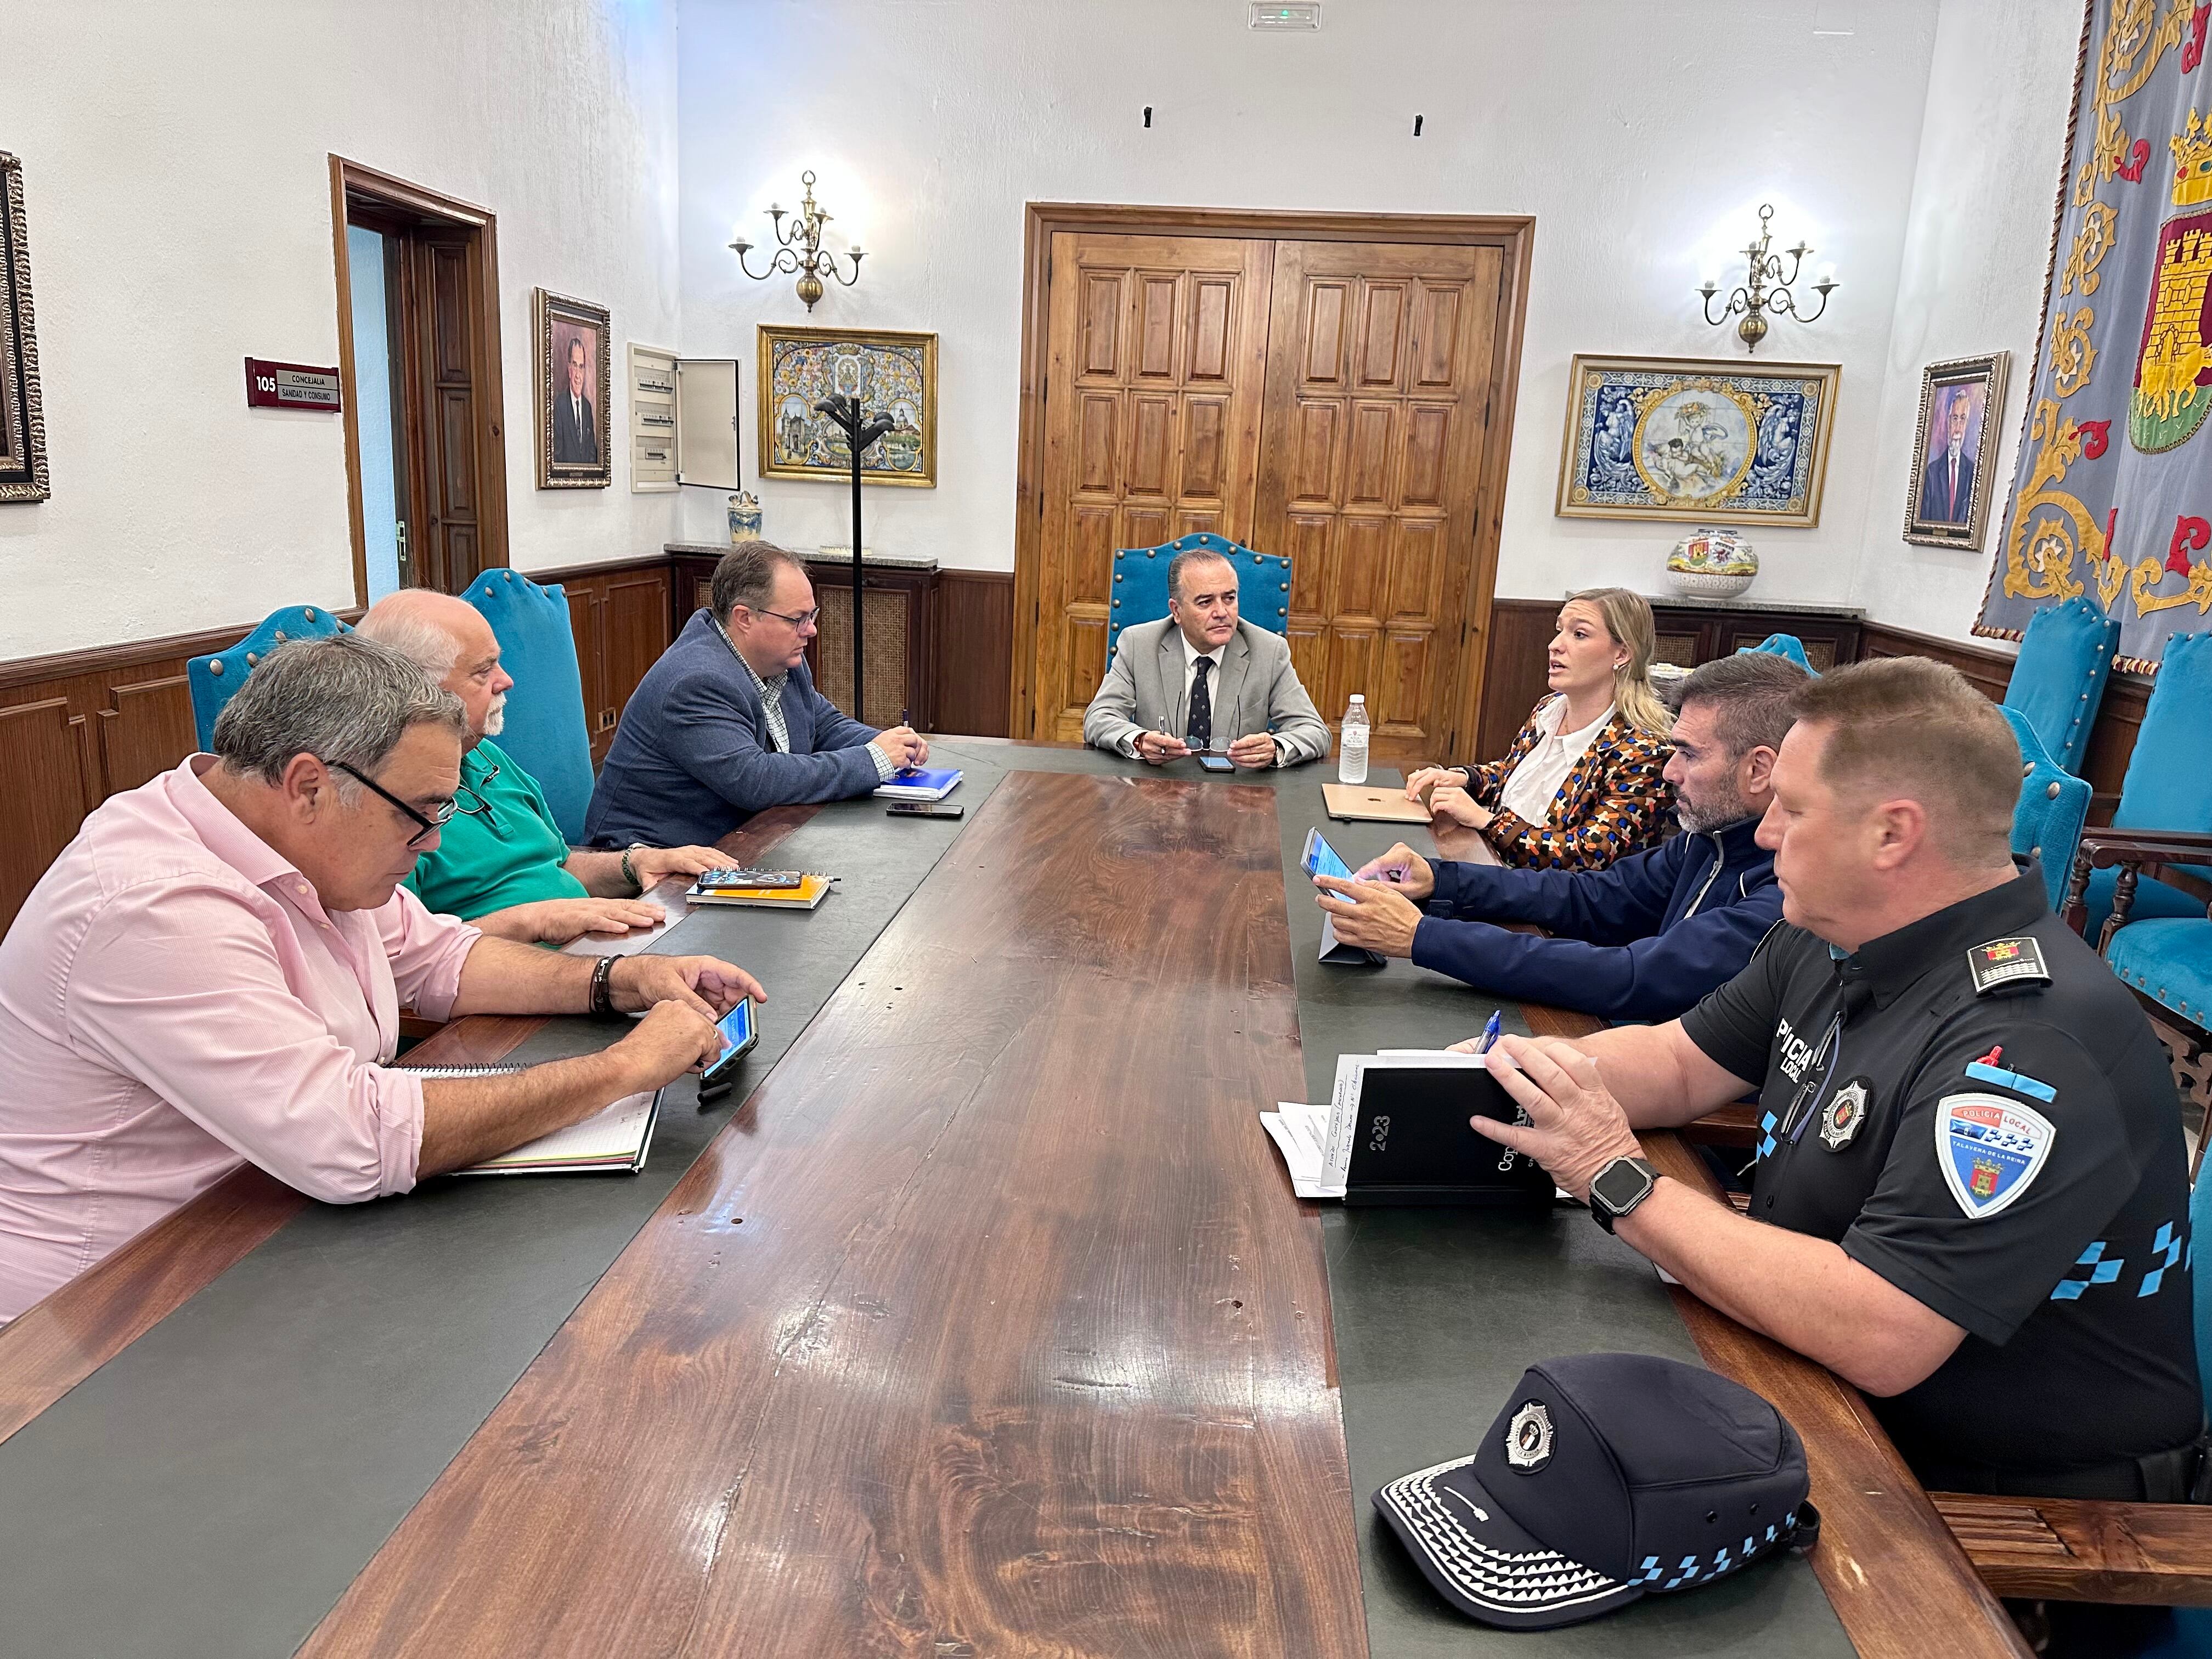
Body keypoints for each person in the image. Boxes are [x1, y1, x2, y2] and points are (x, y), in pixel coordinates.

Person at [1460, 658, 2200, 1513]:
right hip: (1812, 1385)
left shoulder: (2031, 1041)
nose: (1765, 832)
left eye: (1793, 809)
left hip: (2001, 1501)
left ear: (1892, 834)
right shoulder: (1831, 931)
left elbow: (1887, 1330)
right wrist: (1493, 1073)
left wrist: (1619, 1179)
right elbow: (1679, 1062)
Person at [0, 635, 762, 1324]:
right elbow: (349, 1139)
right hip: (115, 1310)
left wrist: (621, 982)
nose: (433, 844)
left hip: (272, 1227)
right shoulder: (153, 905)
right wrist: (624, 1070)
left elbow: (441, 959)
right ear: (307, 785)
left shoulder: (310, 844)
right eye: (422, 813)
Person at [1313, 651, 1804, 1021]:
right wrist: (1441, 882)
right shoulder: (1712, 838)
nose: (1670, 771)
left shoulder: (1790, 891)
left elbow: (1634, 978)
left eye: (1689, 754)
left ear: (1759, 768)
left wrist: (1421, 936)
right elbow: (1592, 896)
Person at [355, 590, 726, 944]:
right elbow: (404, 961)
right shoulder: (381, 806)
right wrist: (534, 921)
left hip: (589, 951)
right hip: (507, 992)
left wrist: (636, 862)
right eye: (483, 672)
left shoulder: (487, 755)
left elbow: (558, 865)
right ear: (417, 689)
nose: (507, 680)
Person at [584, 540, 927, 849]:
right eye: (798, 619)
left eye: (812, 615)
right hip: (650, 861)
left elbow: (821, 724)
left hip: (741, 839)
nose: (811, 629)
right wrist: (874, 759)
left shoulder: (782, 658)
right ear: (744, 617)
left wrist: (890, 743)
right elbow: (755, 780)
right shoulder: (696, 682)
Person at [1403, 588, 1672, 870]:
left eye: (1579, 634)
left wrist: (1488, 821)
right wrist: (1464, 778)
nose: (1555, 645)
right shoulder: (1550, 708)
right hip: (1493, 871)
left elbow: (1589, 855)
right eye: (1560, 630)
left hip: (1555, 905)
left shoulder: (1645, 751)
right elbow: (1511, 776)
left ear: (1622, 654)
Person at [1081, 546, 1330, 768]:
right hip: (1160, 792)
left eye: (1229, 598)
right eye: (1205, 602)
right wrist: (1139, 740)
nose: (1222, 612)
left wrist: (1275, 748)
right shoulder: (1139, 645)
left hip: (1238, 797)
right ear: (1177, 611)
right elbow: (1099, 717)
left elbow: (1315, 731)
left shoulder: (1268, 650)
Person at [1918, 390, 1977, 526]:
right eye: (1955, 418)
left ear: (1967, 424)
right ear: (1948, 422)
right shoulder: (1932, 473)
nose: (1957, 429)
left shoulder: (1972, 473)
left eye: (1962, 420)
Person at [552, 336, 598, 465]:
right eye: (575, 365)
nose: (578, 375)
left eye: (581, 367)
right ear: (569, 368)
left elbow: (591, 454)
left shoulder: (587, 407)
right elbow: (557, 456)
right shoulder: (559, 406)